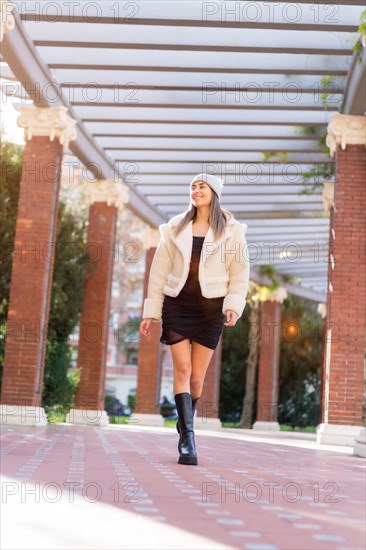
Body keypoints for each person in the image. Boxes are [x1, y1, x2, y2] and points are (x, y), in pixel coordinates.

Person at [139, 173, 250, 466]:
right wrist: (151, 312)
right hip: (177, 305)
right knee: (183, 369)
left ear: (214, 192)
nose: (196, 190)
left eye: (202, 186)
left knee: (198, 377)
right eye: (193, 186)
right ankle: (188, 438)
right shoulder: (175, 228)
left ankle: (185, 422)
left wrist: (233, 306)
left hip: (210, 309)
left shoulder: (232, 230)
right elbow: (159, 272)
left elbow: (240, 271)